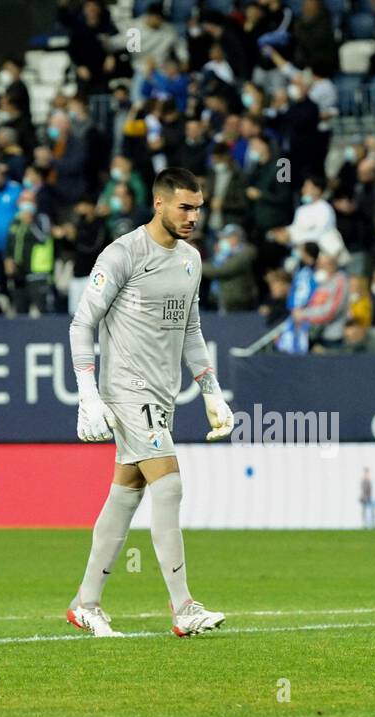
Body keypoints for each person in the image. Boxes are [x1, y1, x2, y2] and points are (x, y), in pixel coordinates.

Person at [67, 167, 232, 638]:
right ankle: (184, 607)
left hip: (163, 392)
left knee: (125, 494)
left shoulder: (191, 260)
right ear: (158, 204)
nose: (193, 216)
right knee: (170, 485)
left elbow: (192, 330)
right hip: (127, 389)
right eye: (185, 206)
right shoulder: (123, 254)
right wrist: (88, 394)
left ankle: (86, 603)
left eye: (198, 207)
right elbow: (82, 323)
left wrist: (211, 391)